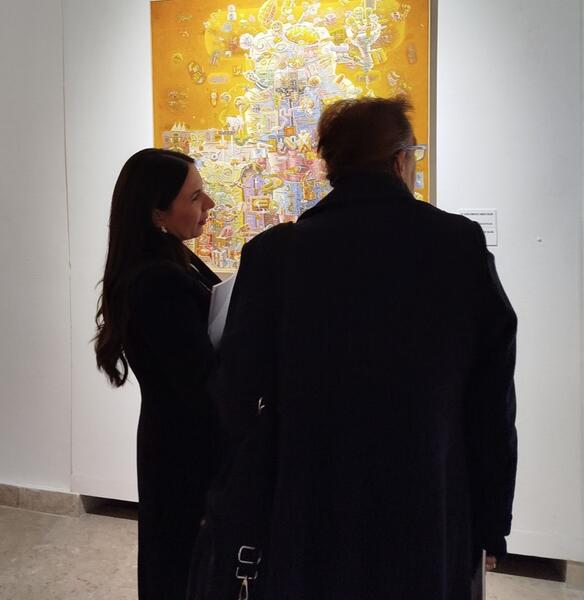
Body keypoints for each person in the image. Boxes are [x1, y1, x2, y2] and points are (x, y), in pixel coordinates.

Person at [214, 97, 517, 600]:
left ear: (332, 166)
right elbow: (490, 400)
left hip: (310, 498)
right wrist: (491, 520)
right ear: (400, 161)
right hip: (428, 498)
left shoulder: (275, 254)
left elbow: (237, 391)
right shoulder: (458, 245)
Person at [94, 148, 221, 599]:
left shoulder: (170, 260)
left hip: (178, 439)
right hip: (185, 449)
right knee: (181, 567)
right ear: (156, 214)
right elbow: (199, 380)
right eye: (195, 196)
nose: (209, 205)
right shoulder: (156, 281)